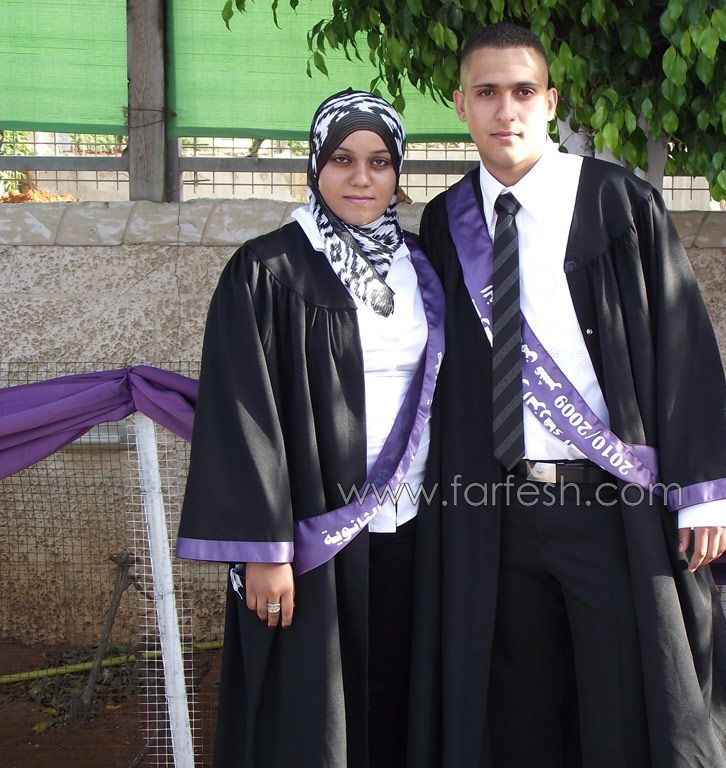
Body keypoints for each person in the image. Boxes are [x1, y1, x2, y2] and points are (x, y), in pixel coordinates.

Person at [419, 23, 726, 768]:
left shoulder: (617, 204)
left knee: (621, 701)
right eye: (486, 92)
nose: (505, 110)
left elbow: (681, 340)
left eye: (522, 91)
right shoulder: (445, 223)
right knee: (514, 707)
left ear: (550, 102)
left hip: (606, 506)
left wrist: (705, 491)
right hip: (493, 514)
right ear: (460, 104)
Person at [176, 90, 443, 768]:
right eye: (342, 159)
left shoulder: (424, 268)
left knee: (400, 699)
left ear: (398, 170)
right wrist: (264, 551)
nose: (362, 178)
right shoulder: (269, 269)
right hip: (314, 536)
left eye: (380, 162)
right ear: (314, 165)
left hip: (417, 525)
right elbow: (242, 412)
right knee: (315, 711)